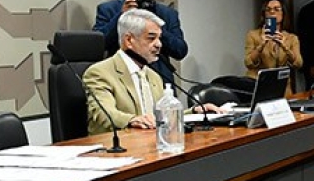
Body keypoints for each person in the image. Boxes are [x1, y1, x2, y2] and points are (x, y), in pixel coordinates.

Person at [82, 9, 219, 135]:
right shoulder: (99, 73)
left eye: (159, 38)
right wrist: (133, 120)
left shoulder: (153, 75)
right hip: (115, 151)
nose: (159, 44)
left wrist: (194, 111)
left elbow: (161, 116)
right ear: (129, 40)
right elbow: (105, 114)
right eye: (151, 38)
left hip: (150, 145)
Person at [93, 0, 188, 84]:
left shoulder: (167, 13)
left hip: (159, 78)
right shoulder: (108, 9)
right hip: (122, 79)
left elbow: (180, 51)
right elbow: (98, 45)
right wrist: (120, 16)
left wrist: (155, 25)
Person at [245, 0, 303, 81]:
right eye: (268, 9)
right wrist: (261, 45)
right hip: (258, 83)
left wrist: (285, 47)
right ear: (264, 14)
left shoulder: (292, 38)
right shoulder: (253, 35)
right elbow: (248, 62)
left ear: (283, 14)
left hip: (282, 85)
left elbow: (298, 63)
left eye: (276, 9)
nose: (272, 12)